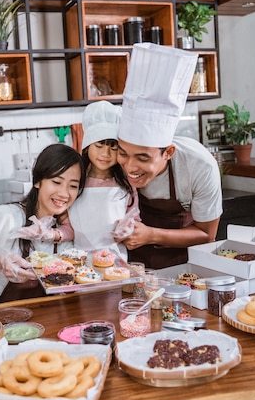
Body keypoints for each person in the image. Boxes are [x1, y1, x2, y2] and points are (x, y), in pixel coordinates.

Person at [114, 43, 223, 269]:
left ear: (168, 152)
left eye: (143, 158)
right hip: (127, 267)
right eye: (123, 153)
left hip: (182, 267)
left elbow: (207, 234)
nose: (129, 166)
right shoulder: (109, 161)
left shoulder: (199, 167)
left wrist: (151, 235)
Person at [0, 143, 86, 306]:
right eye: (56, 182)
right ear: (38, 181)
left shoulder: (64, 233)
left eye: (73, 186)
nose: (64, 193)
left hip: (37, 317)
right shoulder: (6, 217)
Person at [59, 100, 138, 260]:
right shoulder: (76, 180)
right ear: (87, 146)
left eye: (113, 147)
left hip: (115, 259)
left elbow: (134, 217)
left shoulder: (126, 183)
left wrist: (128, 228)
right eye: (99, 145)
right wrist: (53, 233)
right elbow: (65, 222)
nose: (106, 154)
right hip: (77, 258)